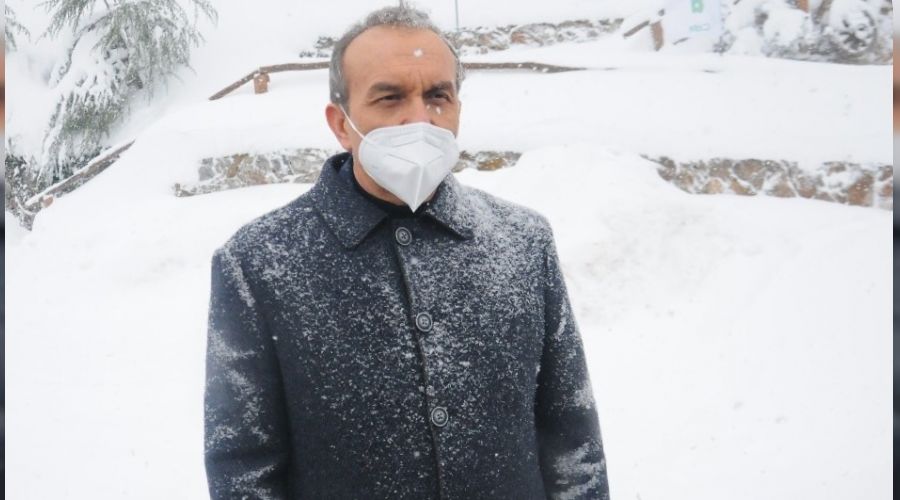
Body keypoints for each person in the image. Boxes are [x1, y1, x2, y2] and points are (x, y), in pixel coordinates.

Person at [204, 5, 609, 499]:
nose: (420, 118)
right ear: (341, 123)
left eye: (438, 95)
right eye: (389, 96)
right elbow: (244, 469)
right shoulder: (258, 262)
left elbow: (572, 441)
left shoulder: (524, 241)